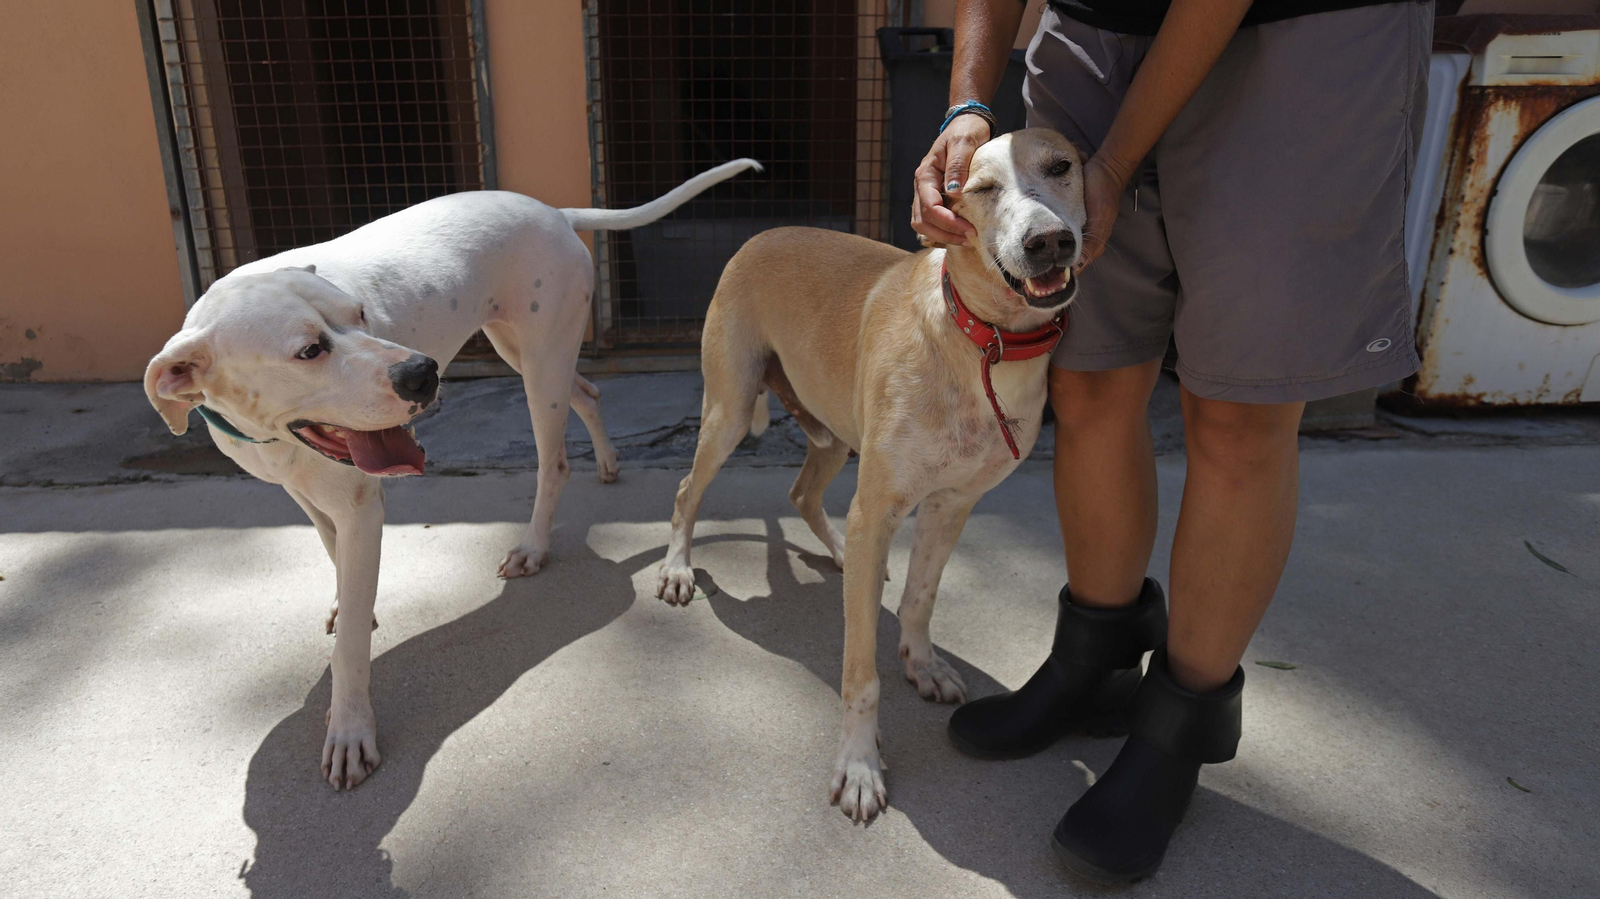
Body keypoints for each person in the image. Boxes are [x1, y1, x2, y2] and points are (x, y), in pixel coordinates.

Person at [912, 0, 1433, 883]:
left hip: (1301, 41)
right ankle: (1098, 653)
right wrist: (967, 103)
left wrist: (1113, 162)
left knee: (1238, 410)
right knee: (1088, 372)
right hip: (1098, 29)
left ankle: (1181, 719)